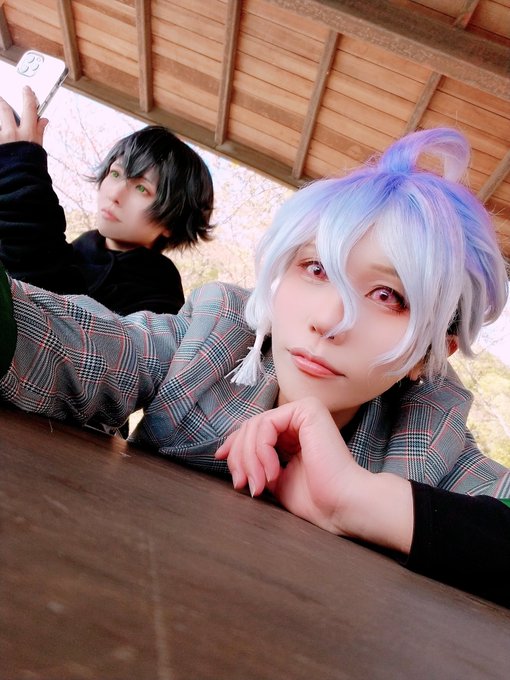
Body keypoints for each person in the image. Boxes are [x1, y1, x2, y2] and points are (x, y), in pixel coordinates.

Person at [0, 126, 508, 499]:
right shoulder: (216, 336)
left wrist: (379, 506)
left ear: (431, 352)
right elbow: (74, 345)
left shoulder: (429, 437)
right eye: (315, 268)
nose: (329, 319)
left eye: (388, 296)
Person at [216, 396, 510, 607]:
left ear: (423, 358)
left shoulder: (463, 469)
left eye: (391, 305)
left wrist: (356, 494)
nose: (325, 329)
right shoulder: (195, 361)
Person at [0, 87, 214, 314]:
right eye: (115, 174)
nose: (115, 194)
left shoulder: (158, 302)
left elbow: (60, 316)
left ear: (172, 223)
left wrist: (19, 169)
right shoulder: (79, 250)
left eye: (142, 188)